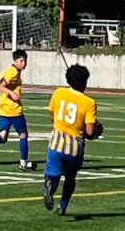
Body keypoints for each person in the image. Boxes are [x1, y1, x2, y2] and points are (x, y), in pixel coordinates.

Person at [43, 63, 103, 216]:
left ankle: (51, 184)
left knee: (53, 172)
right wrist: (96, 130)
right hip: (75, 146)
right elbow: (89, 131)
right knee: (70, 178)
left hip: (57, 141)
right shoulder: (89, 102)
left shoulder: (59, 93)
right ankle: (62, 205)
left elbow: (52, 115)